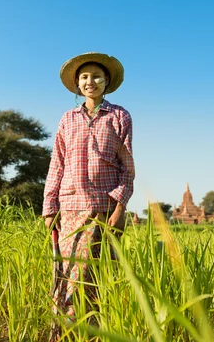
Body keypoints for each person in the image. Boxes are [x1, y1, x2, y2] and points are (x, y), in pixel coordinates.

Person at [43, 52, 135, 338]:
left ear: (106, 81)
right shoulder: (67, 119)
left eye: (96, 76)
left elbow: (127, 167)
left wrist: (120, 209)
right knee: (67, 275)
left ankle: (96, 333)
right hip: (69, 208)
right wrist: (49, 208)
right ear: (77, 84)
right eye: (84, 77)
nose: (90, 81)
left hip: (104, 209)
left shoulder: (119, 116)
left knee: (97, 277)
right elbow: (56, 164)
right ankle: (66, 333)